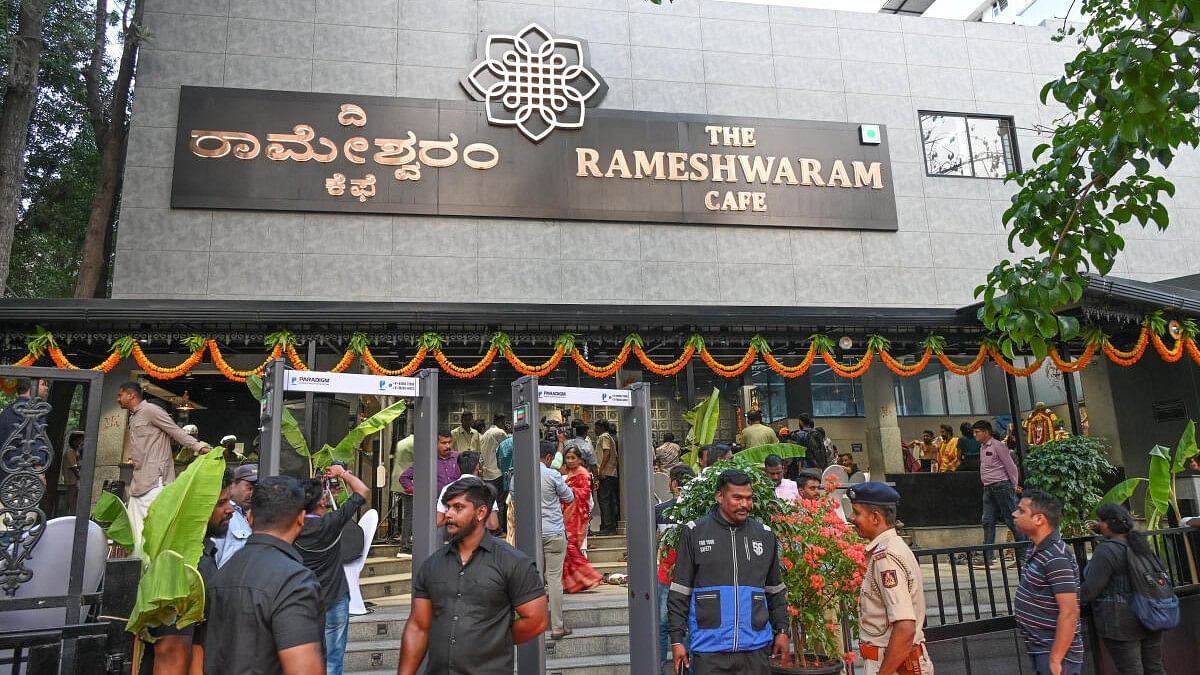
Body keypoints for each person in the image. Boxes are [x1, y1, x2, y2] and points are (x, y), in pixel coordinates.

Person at [397, 478, 548, 675]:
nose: (449, 514)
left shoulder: (513, 562)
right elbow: (418, 627)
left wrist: (492, 639)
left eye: (458, 508)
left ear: (481, 512)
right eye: (448, 507)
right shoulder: (432, 565)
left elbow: (537, 620)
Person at [668, 469, 789, 675]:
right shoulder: (695, 532)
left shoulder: (765, 535)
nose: (744, 504)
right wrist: (677, 640)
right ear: (720, 496)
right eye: (737, 498)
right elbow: (680, 591)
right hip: (709, 650)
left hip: (756, 649)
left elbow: (775, 590)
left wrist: (783, 631)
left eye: (749, 498)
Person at [203, 475, 324, 675]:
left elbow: (200, 659)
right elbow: (303, 669)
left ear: (249, 519)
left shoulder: (218, 574)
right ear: (301, 519)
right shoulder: (294, 582)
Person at [142, 469, 235, 675]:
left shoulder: (200, 552)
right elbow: (171, 650)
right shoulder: (182, 563)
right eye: (221, 503)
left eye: (229, 501)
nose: (230, 509)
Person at [848, 482, 935, 675]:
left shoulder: (886, 557)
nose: (851, 518)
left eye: (856, 513)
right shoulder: (891, 548)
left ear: (876, 517)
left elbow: (905, 627)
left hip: (893, 666)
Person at [293, 464, 368, 675]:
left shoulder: (290, 526)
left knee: (303, 654)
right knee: (333, 658)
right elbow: (362, 491)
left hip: (302, 600)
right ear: (322, 502)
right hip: (334, 598)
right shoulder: (332, 523)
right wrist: (343, 474)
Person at [117, 381, 210, 549]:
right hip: (138, 482)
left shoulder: (151, 411)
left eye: (120, 395)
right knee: (135, 535)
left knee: (155, 534)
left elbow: (175, 431)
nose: (118, 399)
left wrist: (199, 447)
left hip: (155, 482)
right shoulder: (134, 416)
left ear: (131, 395)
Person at [1080, 503, 1166, 675]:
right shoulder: (1140, 544)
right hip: (1151, 614)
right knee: (1155, 668)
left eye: (1100, 521)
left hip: (1121, 621)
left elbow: (1090, 590)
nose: (1099, 523)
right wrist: (1103, 530)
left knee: (1131, 671)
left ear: (1108, 524)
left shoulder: (1106, 550)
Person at [1013, 490, 1084, 675]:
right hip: (1040, 646)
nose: (1014, 514)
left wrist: (1056, 658)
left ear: (1039, 519)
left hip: (1054, 651)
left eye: (1021, 511)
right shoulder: (1035, 548)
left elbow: (1069, 611)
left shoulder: (1056, 556)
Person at [973, 419, 1028, 568]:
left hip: (1002, 486)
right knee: (987, 521)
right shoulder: (982, 448)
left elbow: (1011, 467)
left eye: (977, 432)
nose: (975, 435)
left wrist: (1014, 485)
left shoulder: (999, 446)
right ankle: (988, 557)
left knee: (1013, 520)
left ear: (986, 432)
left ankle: (1024, 557)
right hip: (988, 488)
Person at [655, 464, 694, 671]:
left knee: (662, 626)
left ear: (674, 483)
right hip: (691, 577)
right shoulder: (699, 511)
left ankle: (660, 668)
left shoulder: (660, 510)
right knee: (689, 625)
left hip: (666, 576)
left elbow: (655, 542)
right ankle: (687, 668)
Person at [560, 446, 603, 595]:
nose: (570, 461)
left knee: (571, 547)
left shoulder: (583, 473)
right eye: (568, 458)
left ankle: (589, 578)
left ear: (579, 459)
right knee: (567, 549)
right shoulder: (568, 472)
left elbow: (584, 494)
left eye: (573, 458)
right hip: (566, 514)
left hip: (576, 516)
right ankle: (572, 583)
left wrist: (567, 489)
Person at [435, 451, 499, 531]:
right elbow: (493, 524)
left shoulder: (447, 488)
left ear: (458, 467)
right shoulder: (486, 490)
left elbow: (439, 522)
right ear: (477, 467)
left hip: (455, 539)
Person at [214, 463, 256, 567]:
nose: (253, 494)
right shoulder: (222, 515)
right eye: (249, 488)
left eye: (256, 489)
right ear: (233, 485)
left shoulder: (252, 514)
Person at [398, 429, 461, 495]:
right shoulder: (426, 460)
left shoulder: (458, 457)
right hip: (434, 503)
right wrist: (417, 492)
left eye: (449, 442)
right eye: (444, 443)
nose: (448, 446)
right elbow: (404, 477)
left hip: (456, 502)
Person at [478, 414, 507, 532]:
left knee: (489, 502)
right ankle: (498, 529)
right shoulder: (500, 433)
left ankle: (489, 528)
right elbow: (507, 450)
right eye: (504, 422)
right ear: (500, 421)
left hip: (486, 474)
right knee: (500, 502)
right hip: (498, 473)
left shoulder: (485, 434)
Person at [390, 433, 414, 549]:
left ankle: (405, 540)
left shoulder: (402, 442)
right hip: (408, 480)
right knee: (410, 512)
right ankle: (405, 542)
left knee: (407, 512)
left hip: (398, 478)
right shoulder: (416, 443)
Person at [596, 420, 620, 535]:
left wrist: (601, 469)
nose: (594, 430)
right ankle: (611, 525)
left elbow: (607, 452)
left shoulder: (604, 436)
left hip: (606, 473)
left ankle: (607, 526)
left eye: (596, 427)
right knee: (611, 500)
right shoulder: (609, 436)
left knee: (604, 500)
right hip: (612, 473)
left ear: (601, 427)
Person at [62, 431, 84, 512]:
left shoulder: (76, 452)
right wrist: (80, 477)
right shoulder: (71, 452)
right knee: (73, 502)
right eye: (81, 440)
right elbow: (73, 467)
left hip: (74, 481)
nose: (82, 442)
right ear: (75, 441)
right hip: (72, 481)